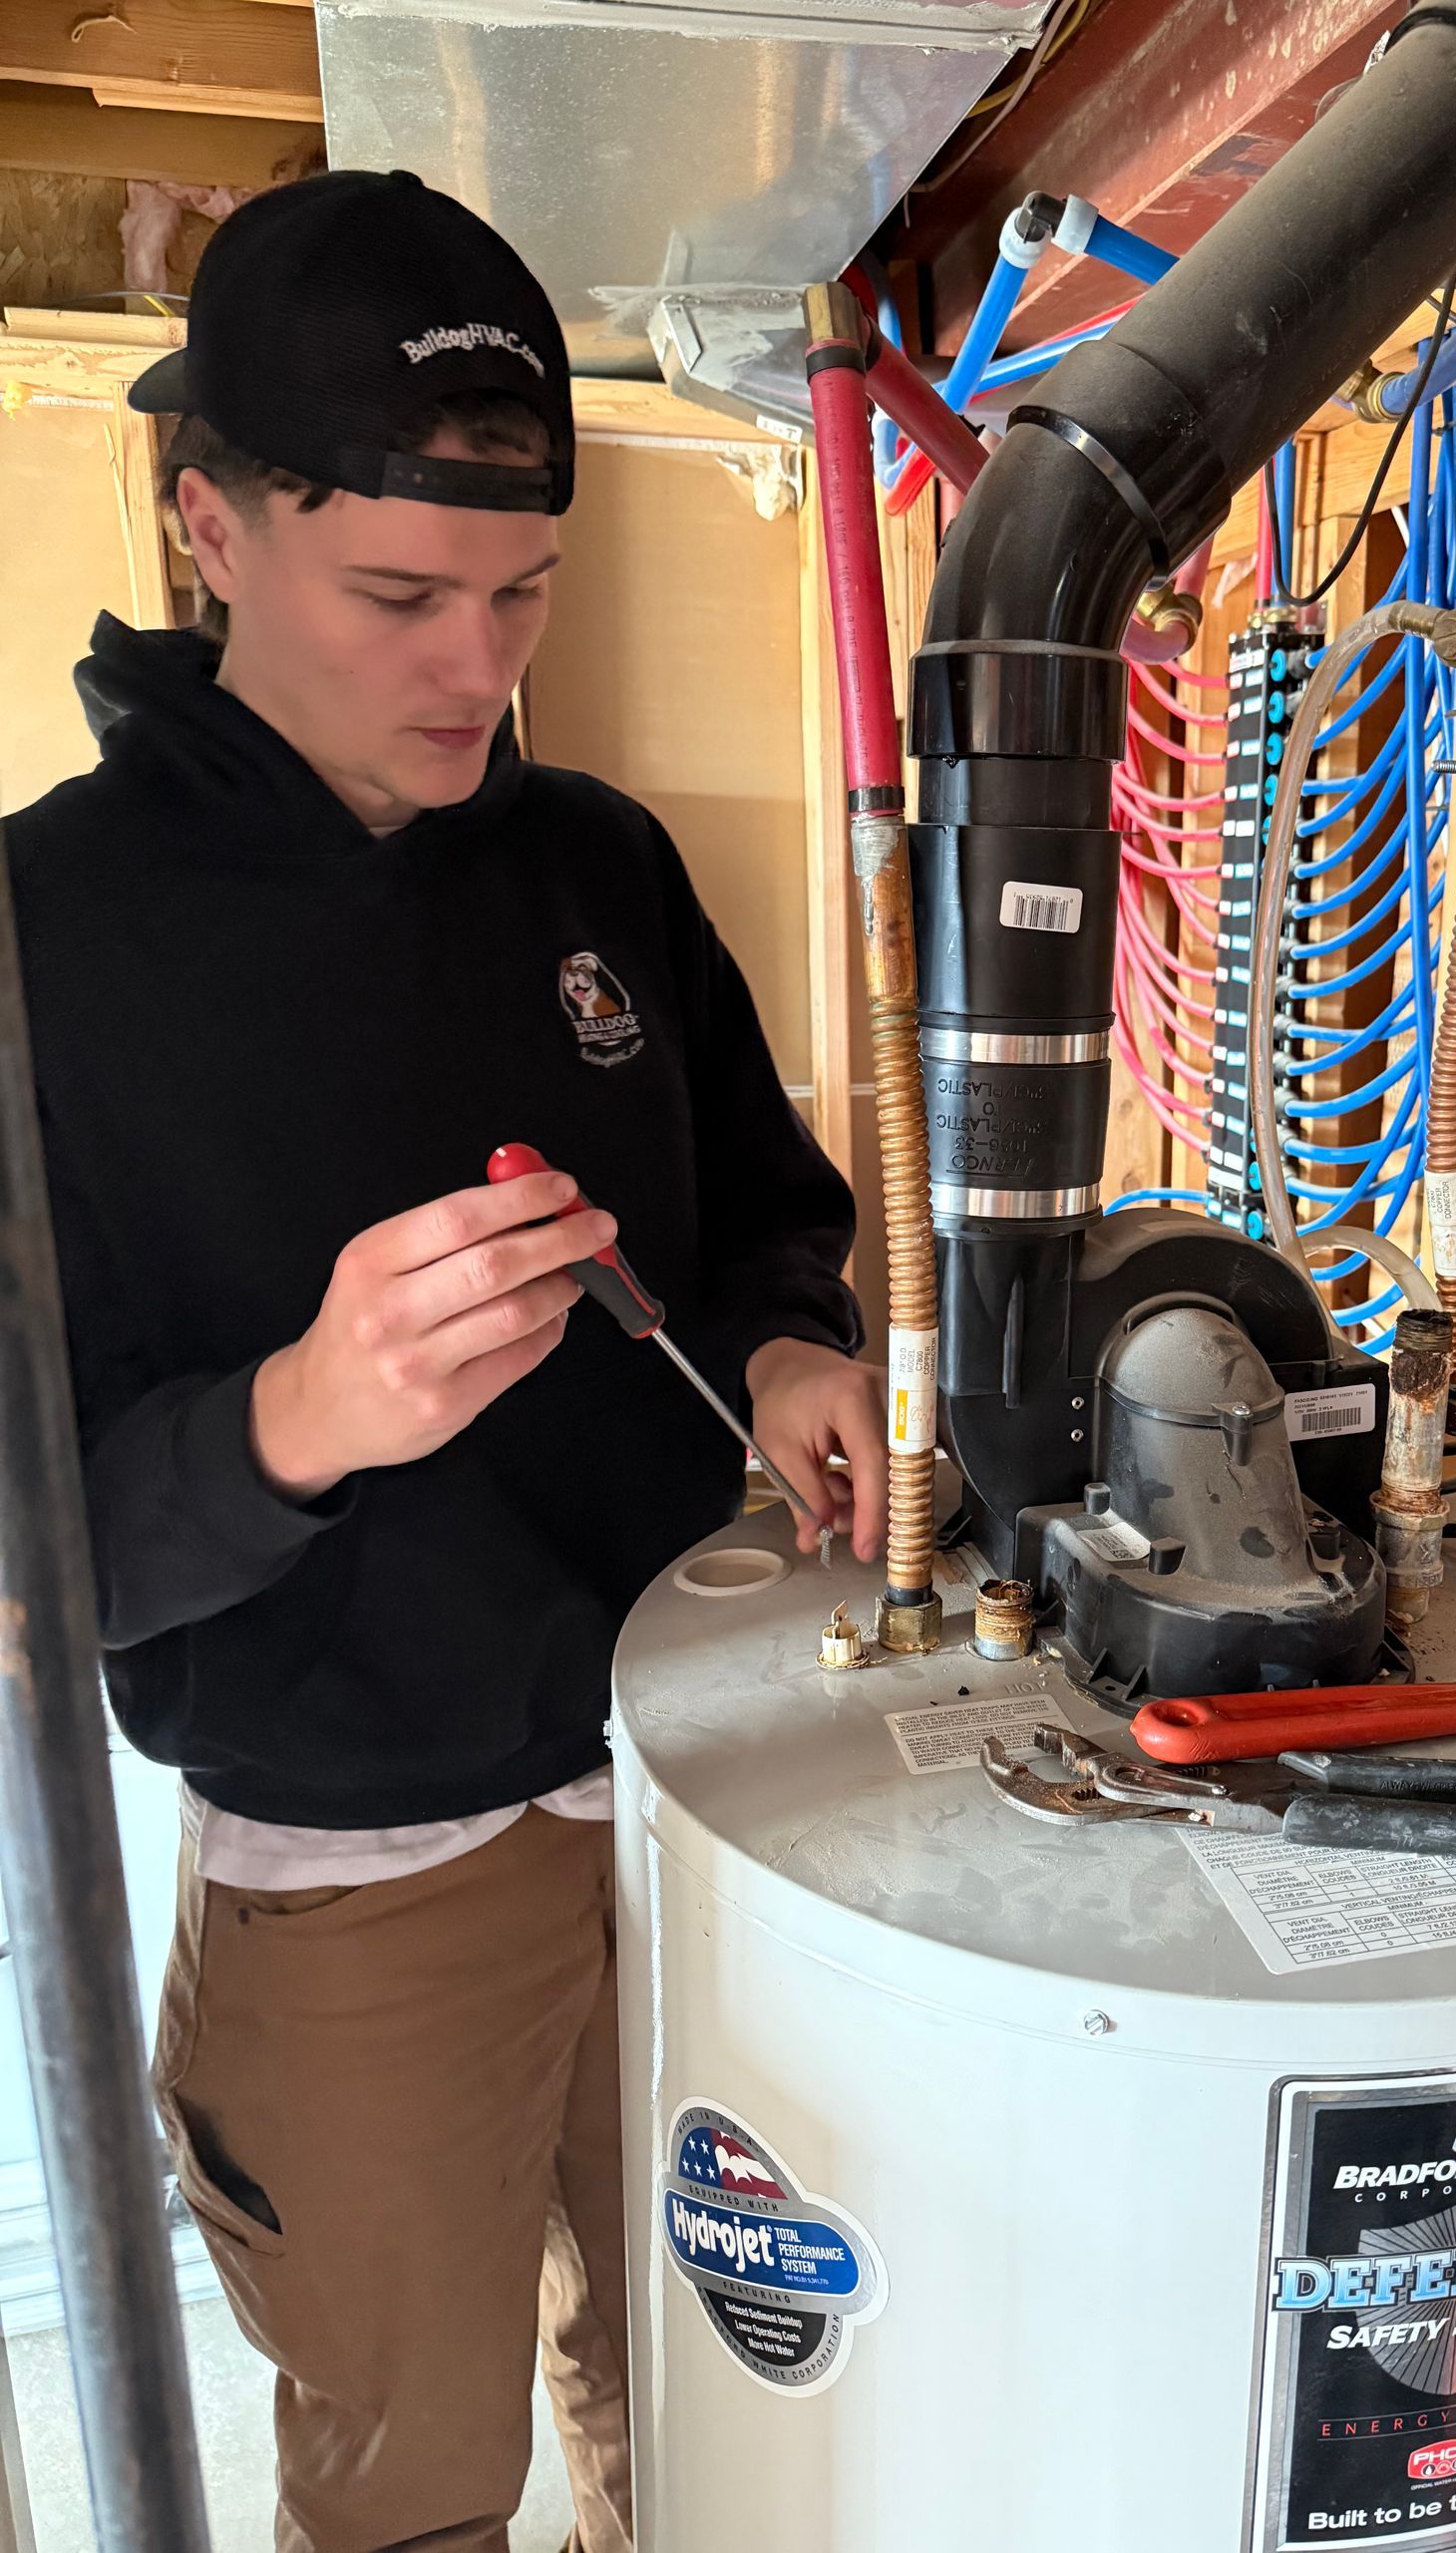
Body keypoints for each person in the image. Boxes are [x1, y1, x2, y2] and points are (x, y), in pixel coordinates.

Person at [6, 169, 885, 2553]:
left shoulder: (596, 863)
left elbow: (763, 1202)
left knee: (713, 2389)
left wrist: (794, 1347)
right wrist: (304, 1414)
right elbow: (26, 1544)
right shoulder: (45, 940)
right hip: (356, 1862)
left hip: (688, 1784)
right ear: (209, 520)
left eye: (520, 598)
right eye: (397, 593)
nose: (470, 664)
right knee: (415, 2475)